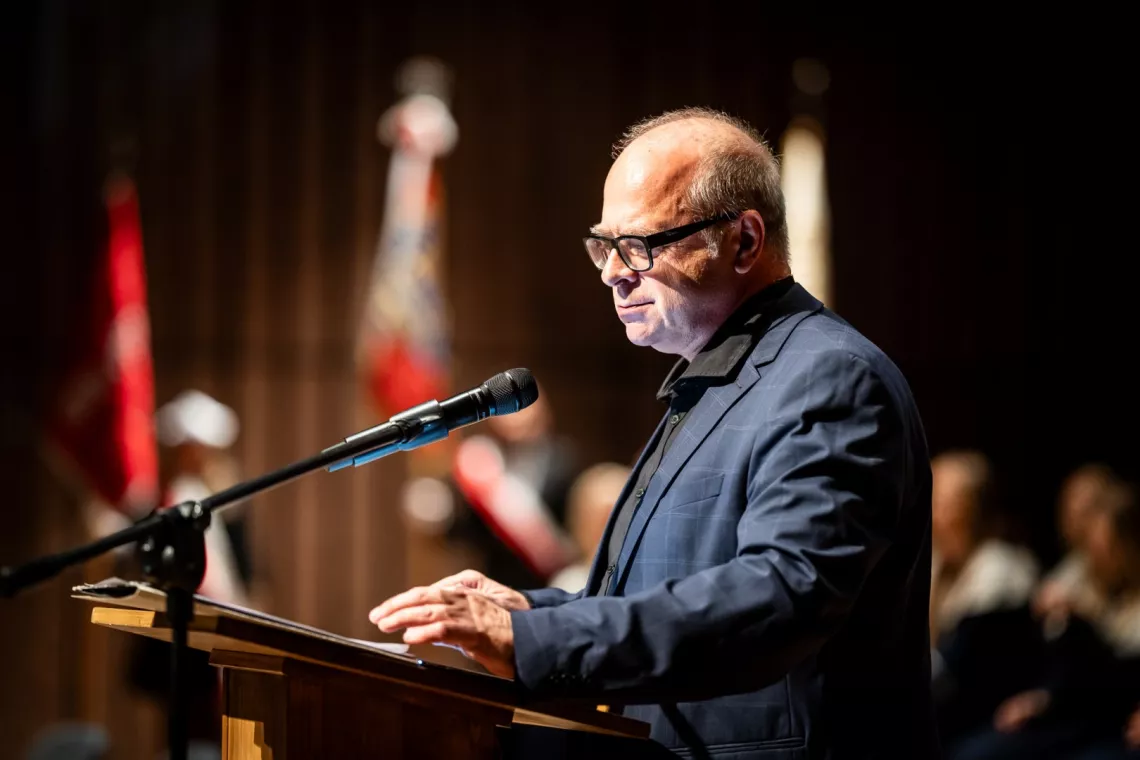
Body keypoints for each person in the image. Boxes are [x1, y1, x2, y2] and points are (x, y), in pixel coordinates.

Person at [370, 107, 937, 758]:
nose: (612, 271)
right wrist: (533, 615)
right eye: (602, 246)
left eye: (638, 245)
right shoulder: (720, 376)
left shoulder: (827, 379)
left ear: (744, 241)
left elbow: (780, 596)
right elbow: (663, 595)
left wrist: (534, 644)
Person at [927, 450, 1042, 747]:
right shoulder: (937, 565)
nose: (933, 514)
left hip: (987, 719)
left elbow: (958, 673)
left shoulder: (1001, 571)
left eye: (946, 504)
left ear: (974, 510)